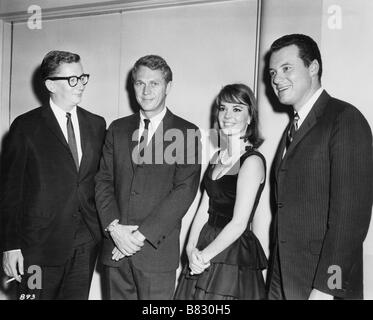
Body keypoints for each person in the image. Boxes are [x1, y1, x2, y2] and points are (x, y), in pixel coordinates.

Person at [266, 34, 373, 300]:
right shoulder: (292, 129)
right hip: (284, 278)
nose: (277, 79)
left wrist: (328, 287)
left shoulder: (344, 119)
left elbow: (351, 220)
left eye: (286, 68)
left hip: (322, 286)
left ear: (313, 67)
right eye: (272, 72)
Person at [0, 50, 106, 299]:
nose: (80, 85)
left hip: (84, 243)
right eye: (72, 80)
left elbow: (101, 181)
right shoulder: (25, 127)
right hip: (37, 247)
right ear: (50, 84)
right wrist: (10, 246)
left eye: (82, 78)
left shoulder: (97, 124)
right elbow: (9, 192)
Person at [95, 54, 201, 300]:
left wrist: (137, 237)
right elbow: (103, 182)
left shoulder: (186, 132)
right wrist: (115, 230)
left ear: (168, 87)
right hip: (115, 251)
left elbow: (184, 191)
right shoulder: (117, 129)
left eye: (154, 83)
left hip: (156, 253)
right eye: (140, 83)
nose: (146, 90)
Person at [174, 83, 267, 300]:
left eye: (237, 109)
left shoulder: (251, 161)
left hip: (231, 251)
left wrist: (204, 257)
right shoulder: (217, 157)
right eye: (223, 108)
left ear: (250, 117)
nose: (227, 115)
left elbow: (239, 223)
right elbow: (203, 209)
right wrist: (190, 250)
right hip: (205, 242)